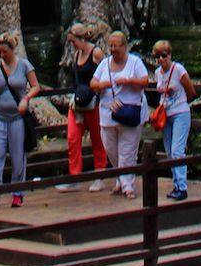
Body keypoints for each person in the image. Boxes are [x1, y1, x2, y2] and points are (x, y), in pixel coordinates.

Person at [0, 30, 40, 207]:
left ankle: (17, 192)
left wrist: (26, 99)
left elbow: (36, 86)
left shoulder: (24, 65)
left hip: (17, 118)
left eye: (5, 51)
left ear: (13, 50)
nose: (2, 54)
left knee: (18, 156)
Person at [90, 29, 151, 196]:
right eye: (110, 46)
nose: (113, 49)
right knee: (111, 149)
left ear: (125, 46)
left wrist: (129, 80)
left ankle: (127, 186)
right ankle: (121, 179)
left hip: (129, 111)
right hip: (108, 112)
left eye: (116, 46)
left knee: (128, 151)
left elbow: (145, 81)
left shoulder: (135, 62)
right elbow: (93, 83)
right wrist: (103, 85)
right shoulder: (104, 64)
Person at [64, 20, 108, 187]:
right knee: (72, 139)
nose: (72, 45)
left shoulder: (96, 53)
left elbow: (107, 71)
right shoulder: (76, 55)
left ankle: (100, 175)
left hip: (94, 103)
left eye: (73, 41)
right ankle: (75, 177)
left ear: (82, 38)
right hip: (78, 103)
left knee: (97, 139)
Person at [151, 39, 194, 199]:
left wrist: (182, 102)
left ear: (170, 55)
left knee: (177, 150)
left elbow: (191, 90)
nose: (161, 60)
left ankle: (182, 187)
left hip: (180, 113)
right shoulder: (157, 73)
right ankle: (176, 184)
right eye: (157, 57)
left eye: (163, 56)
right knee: (170, 152)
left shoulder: (178, 70)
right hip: (165, 115)